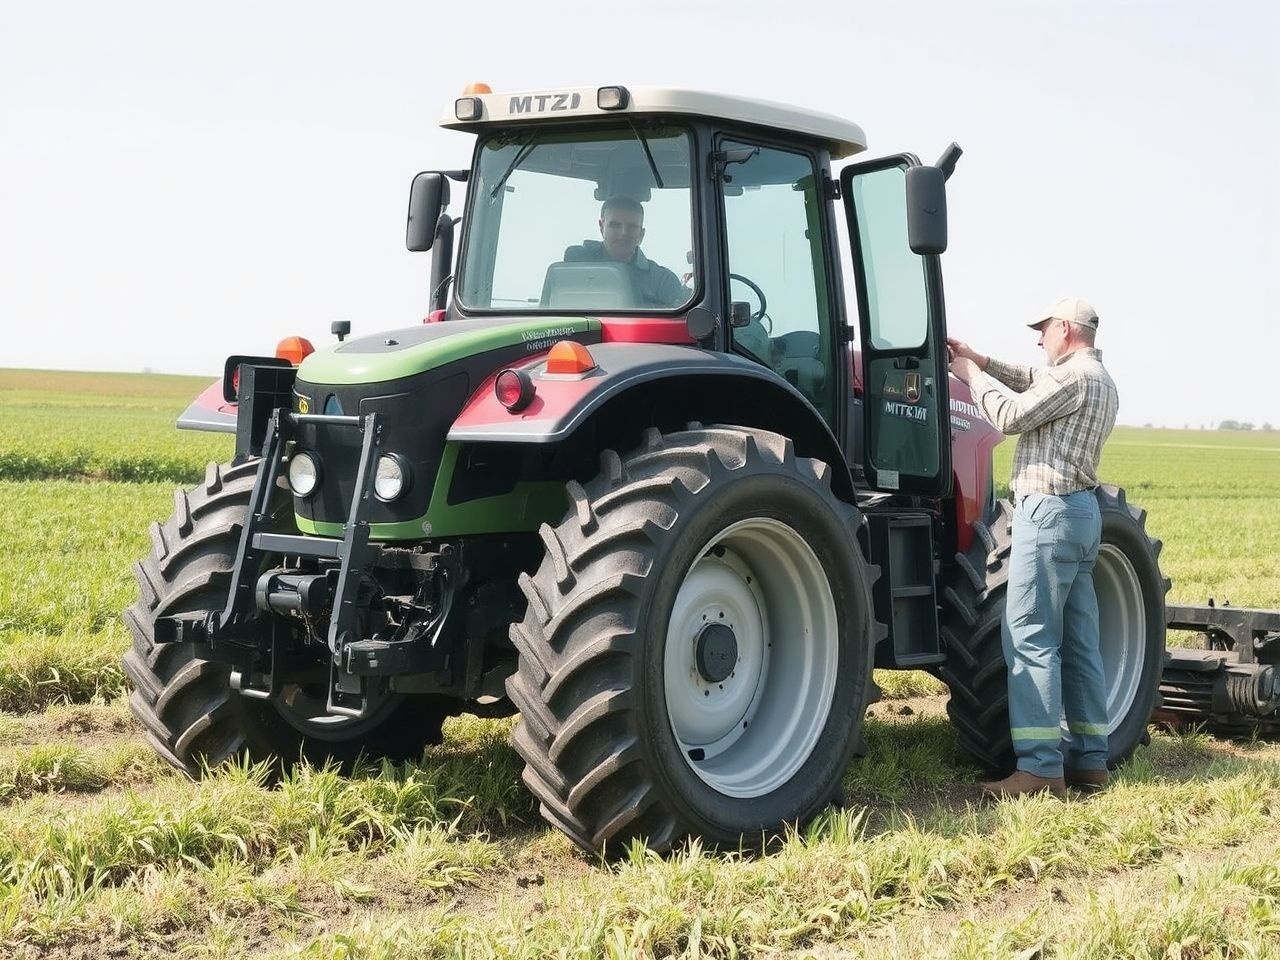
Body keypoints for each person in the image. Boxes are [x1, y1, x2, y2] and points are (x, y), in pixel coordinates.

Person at [947, 297, 1119, 800]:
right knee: (1080, 641)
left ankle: (1040, 767)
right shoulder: (1100, 380)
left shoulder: (1073, 378)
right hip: (1083, 515)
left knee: (1029, 635)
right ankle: (1090, 760)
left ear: (1065, 328)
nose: (1038, 339)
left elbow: (1008, 415)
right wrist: (981, 359)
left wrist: (969, 378)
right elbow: (1029, 377)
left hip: (1047, 514)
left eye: (1043, 330)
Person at [565, 196, 687, 308]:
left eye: (632, 227)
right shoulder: (573, 268)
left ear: (641, 234)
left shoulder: (663, 282)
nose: (623, 233)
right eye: (615, 225)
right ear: (602, 227)